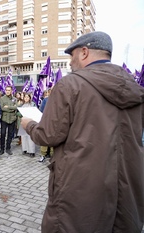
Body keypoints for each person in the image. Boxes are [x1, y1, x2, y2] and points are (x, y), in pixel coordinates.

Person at [21, 31, 144, 232]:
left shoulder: (71, 84)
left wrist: (29, 124)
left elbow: (48, 135)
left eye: (72, 55)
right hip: (126, 192)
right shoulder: (134, 87)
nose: (70, 62)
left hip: (80, 192)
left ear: (84, 52)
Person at [0, 86, 17, 156]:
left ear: (11, 91)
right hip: (4, 119)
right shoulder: (2, 99)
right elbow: (2, 108)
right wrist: (12, 109)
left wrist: (8, 107)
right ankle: (1, 149)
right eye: (6, 90)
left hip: (12, 119)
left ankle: (8, 148)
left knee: (10, 134)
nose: (7, 91)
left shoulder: (14, 99)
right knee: (2, 134)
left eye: (9, 90)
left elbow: (16, 107)